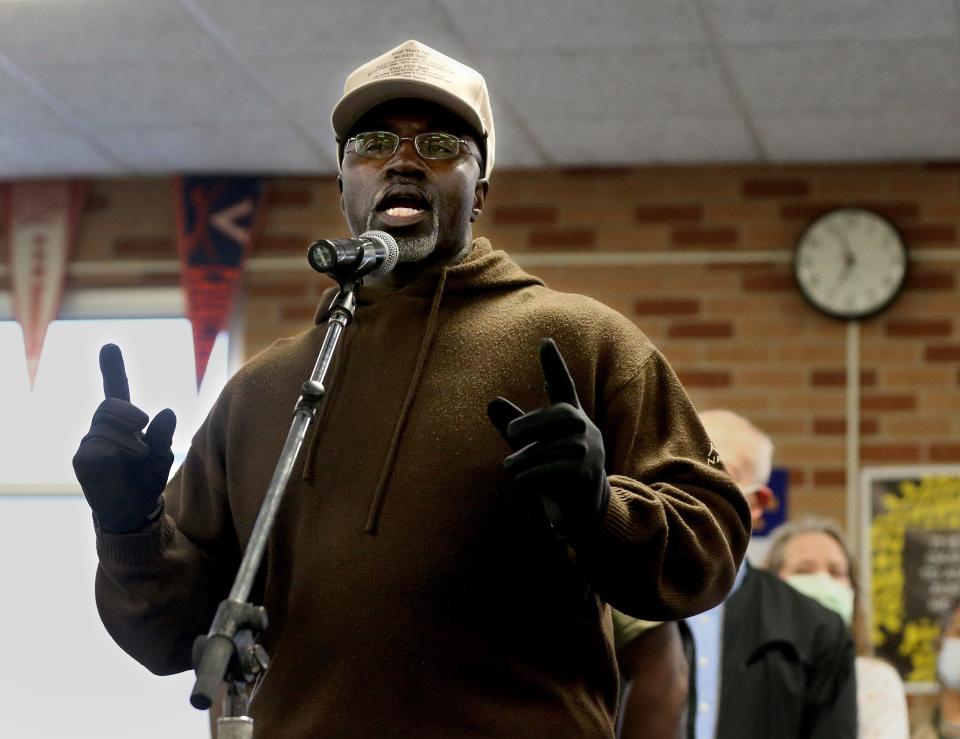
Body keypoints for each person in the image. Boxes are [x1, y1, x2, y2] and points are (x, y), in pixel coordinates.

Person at [72, 40, 750, 738]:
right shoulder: (262, 391)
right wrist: (128, 525)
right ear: (342, 186)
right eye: (371, 143)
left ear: (480, 189)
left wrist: (598, 508)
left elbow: (712, 546)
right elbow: (169, 636)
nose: (402, 160)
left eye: (438, 143)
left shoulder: (580, 340)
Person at [683, 409, 857, 738]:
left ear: (758, 502)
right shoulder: (613, 603)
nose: (690, 486)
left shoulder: (817, 631)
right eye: (678, 463)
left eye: (716, 468)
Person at [766, 517, 911, 739]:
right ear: (770, 585)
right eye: (804, 571)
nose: (823, 581)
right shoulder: (750, 672)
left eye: (836, 572)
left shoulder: (875, 681)